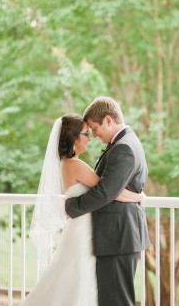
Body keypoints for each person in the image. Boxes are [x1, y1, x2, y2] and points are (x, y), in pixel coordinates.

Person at [23, 112, 145, 305]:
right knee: (77, 280)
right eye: (86, 134)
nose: (90, 138)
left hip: (82, 229)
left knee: (71, 279)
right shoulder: (76, 165)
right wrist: (139, 197)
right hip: (83, 233)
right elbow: (110, 192)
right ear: (73, 138)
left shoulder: (66, 163)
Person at [63, 97, 151, 306]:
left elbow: (104, 193)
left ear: (109, 120)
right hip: (117, 236)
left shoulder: (124, 148)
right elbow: (110, 190)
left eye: (94, 128)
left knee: (116, 301)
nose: (94, 135)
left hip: (118, 237)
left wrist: (70, 207)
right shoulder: (123, 143)